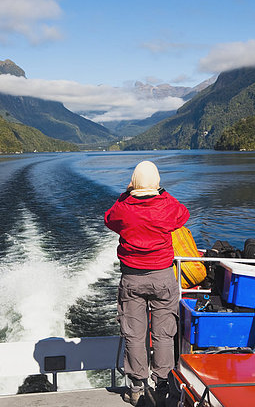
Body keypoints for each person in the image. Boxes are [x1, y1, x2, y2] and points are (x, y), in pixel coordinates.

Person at [104, 160, 189, 407]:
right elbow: (183, 214)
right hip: (162, 277)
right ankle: (162, 385)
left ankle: (137, 388)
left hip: (132, 279)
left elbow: (109, 218)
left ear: (133, 183)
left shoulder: (124, 207)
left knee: (134, 334)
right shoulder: (165, 206)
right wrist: (162, 192)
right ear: (157, 183)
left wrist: (126, 193)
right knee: (163, 335)